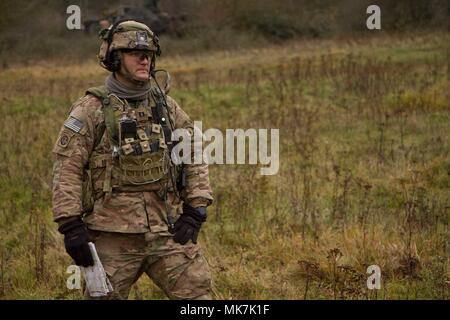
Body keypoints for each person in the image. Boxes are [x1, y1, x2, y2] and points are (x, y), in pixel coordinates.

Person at [52, 20, 213, 300]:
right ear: (114, 58)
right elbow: (67, 167)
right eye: (135, 53)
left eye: (149, 54)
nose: (144, 59)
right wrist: (70, 225)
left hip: (167, 230)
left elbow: (193, 152)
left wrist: (196, 208)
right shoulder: (91, 109)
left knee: (200, 298)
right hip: (111, 235)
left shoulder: (165, 105)